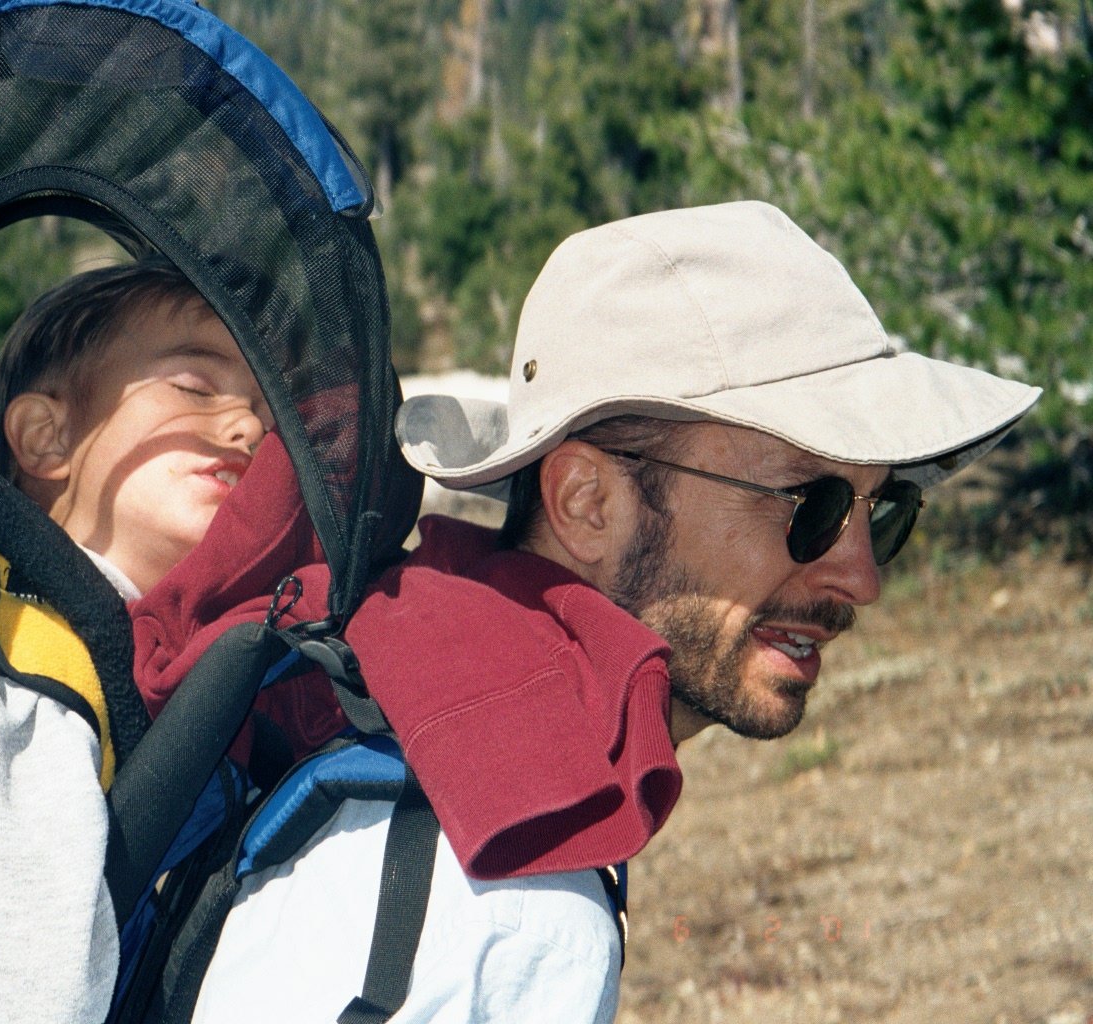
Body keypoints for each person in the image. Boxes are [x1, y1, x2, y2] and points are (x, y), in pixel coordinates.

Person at [130, 200, 1040, 1022]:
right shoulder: (509, 885)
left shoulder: (454, 717)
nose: (862, 578)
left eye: (885, 509)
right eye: (810, 505)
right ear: (587, 503)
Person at [0, 256, 273, 1024]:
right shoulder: (41, 648)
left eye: (263, 415)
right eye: (196, 387)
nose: (248, 427)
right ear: (46, 438)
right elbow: (16, 989)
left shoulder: (117, 637)